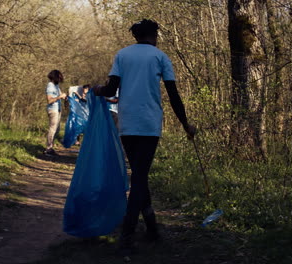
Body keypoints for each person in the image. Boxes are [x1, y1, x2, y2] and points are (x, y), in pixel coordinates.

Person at [93, 19, 196, 257]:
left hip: (127, 123)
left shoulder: (122, 55)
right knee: (140, 176)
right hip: (149, 125)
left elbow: (110, 90)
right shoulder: (160, 57)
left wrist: (98, 90)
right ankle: (127, 236)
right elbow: (173, 95)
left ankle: (151, 228)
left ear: (136, 35)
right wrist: (185, 124)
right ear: (155, 34)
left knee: (140, 175)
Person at [45, 69, 67, 156]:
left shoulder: (56, 86)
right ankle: (48, 148)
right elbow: (49, 100)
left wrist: (65, 97)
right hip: (53, 110)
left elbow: (61, 95)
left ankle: (51, 147)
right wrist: (59, 97)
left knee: (56, 130)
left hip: (58, 110)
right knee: (52, 129)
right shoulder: (50, 86)